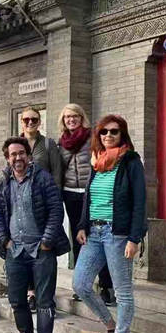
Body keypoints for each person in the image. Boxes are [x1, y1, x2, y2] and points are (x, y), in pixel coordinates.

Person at [72, 115, 147, 333]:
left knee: (123, 291)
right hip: (93, 233)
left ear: (122, 134)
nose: (108, 136)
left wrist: (134, 238)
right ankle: (110, 325)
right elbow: (88, 198)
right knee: (81, 284)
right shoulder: (97, 162)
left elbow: (140, 202)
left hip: (118, 234)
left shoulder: (131, 162)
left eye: (114, 132)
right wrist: (82, 225)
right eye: (103, 132)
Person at [0, 137, 68, 333]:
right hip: (15, 250)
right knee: (16, 300)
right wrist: (4, 240)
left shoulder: (42, 178)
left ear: (28, 155)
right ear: (8, 158)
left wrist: (47, 242)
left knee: (44, 301)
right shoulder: (4, 181)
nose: (18, 158)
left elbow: (56, 210)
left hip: (41, 250)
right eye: (13, 154)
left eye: (21, 153)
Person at [58, 103, 115, 306]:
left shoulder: (93, 137)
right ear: (63, 121)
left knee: (99, 236)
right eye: (67, 117)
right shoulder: (62, 142)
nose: (71, 120)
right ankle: (83, 285)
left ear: (82, 117)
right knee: (79, 238)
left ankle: (107, 286)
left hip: (91, 194)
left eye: (75, 116)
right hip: (71, 194)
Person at [19, 107, 63, 312]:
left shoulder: (48, 144)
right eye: (26, 119)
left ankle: (45, 296)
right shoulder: (15, 144)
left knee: (45, 250)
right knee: (25, 248)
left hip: (43, 205)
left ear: (39, 121)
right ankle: (30, 294)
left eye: (33, 119)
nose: (30, 122)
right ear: (21, 121)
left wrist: (53, 201)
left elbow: (56, 174)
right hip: (21, 205)